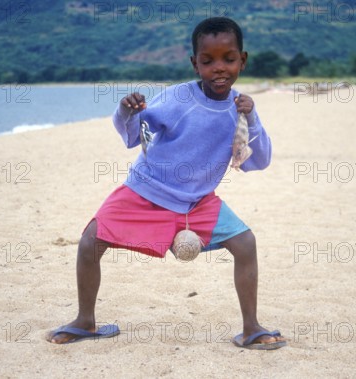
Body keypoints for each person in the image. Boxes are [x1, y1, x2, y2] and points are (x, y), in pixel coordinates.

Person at [47, 16, 286, 350]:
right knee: (90, 242)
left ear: (242, 61)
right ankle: (85, 321)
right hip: (146, 190)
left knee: (245, 244)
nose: (219, 68)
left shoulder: (240, 110)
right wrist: (126, 111)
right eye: (208, 61)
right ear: (194, 63)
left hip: (198, 202)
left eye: (228, 59)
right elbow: (134, 135)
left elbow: (257, 161)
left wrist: (254, 116)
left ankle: (251, 328)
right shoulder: (178, 99)